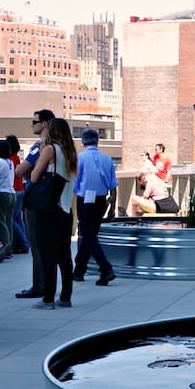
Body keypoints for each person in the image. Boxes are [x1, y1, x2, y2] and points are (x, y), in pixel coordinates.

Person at [29, 117, 78, 310]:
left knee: (47, 254)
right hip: (66, 209)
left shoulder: (50, 149)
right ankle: (65, 297)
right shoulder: (70, 152)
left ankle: (48, 298)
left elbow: (34, 176)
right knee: (64, 256)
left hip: (50, 209)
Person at [14, 110, 54, 299]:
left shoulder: (40, 147)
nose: (32, 125)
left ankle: (40, 286)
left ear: (44, 124)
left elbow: (21, 170)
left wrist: (25, 170)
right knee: (48, 245)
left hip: (36, 199)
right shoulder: (59, 146)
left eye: (34, 121)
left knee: (36, 244)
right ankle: (46, 285)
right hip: (51, 199)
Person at [72, 128, 118, 286]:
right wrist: (112, 207)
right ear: (97, 141)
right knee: (90, 234)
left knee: (88, 235)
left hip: (85, 198)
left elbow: (75, 181)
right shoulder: (107, 159)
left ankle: (105, 267)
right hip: (101, 200)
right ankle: (79, 271)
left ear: (83, 142)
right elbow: (113, 185)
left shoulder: (80, 158)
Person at [5, 134, 30, 253]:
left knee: (12, 220)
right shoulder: (16, 158)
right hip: (20, 189)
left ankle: (24, 243)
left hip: (14, 190)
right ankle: (24, 242)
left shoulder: (10, 160)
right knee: (18, 219)